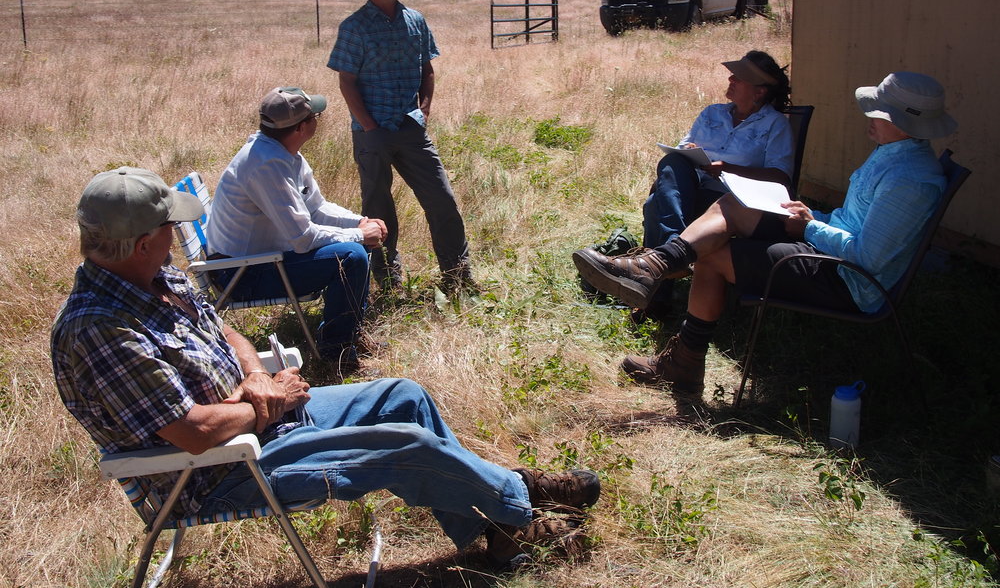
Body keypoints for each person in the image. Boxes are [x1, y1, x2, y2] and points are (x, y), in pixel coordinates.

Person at [51, 167, 600, 570]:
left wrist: (257, 375)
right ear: (144, 242)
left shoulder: (151, 276)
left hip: (260, 422)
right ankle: (522, 510)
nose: (174, 238)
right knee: (403, 444)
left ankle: (498, 521)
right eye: (169, 229)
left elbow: (221, 330)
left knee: (403, 396)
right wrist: (266, 405)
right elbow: (192, 433)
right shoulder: (100, 329)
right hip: (220, 472)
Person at [573, 72, 956, 396]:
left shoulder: (910, 180)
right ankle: (656, 264)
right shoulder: (894, 152)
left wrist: (811, 227)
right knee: (734, 204)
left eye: (878, 112)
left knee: (712, 254)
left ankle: (682, 360)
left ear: (905, 123)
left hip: (848, 280)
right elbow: (855, 221)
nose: (868, 118)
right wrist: (814, 215)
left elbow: (867, 258)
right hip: (831, 252)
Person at [327, 0, 474, 293]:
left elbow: (427, 69)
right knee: (378, 210)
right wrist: (370, 127)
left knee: (442, 199)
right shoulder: (354, 27)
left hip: (410, 126)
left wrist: (423, 110)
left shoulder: (415, 20)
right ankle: (388, 280)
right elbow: (346, 80)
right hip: (371, 132)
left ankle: (457, 275)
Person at [205, 86, 386, 367]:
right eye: (315, 116)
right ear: (302, 127)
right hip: (241, 275)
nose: (318, 120)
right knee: (352, 256)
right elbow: (303, 239)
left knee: (356, 247)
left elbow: (317, 208)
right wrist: (361, 235)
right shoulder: (266, 165)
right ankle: (336, 351)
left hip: (256, 262)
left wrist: (359, 222)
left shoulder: (282, 154)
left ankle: (348, 333)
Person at [630, 50, 794, 318]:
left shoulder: (775, 125)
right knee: (673, 163)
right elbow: (683, 147)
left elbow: (781, 177)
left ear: (759, 92)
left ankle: (656, 296)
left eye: (739, 78)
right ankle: (674, 247)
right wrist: (689, 150)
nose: (731, 79)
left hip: (732, 200)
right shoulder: (712, 113)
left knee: (655, 204)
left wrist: (729, 169)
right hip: (693, 185)